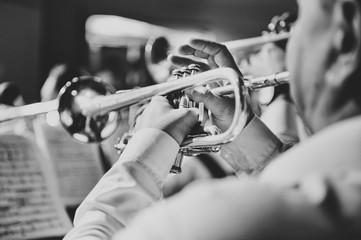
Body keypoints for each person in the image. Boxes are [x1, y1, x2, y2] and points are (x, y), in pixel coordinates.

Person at [64, 0, 361, 239]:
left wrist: (144, 149)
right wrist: (242, 126)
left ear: (346, 37)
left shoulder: (220, 219)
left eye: (302, 19)